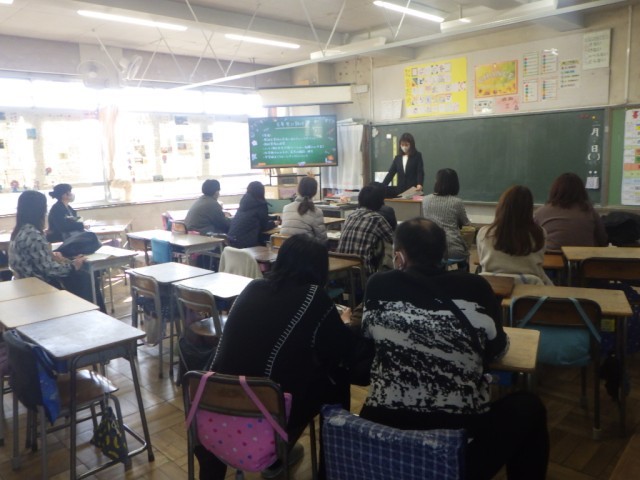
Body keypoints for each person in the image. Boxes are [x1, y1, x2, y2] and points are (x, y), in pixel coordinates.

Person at [360, 218, 549, 480]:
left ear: (399, 257)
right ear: (444, 255)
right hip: (455, 450)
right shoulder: (476, 287)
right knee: (529, 407)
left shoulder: (377, 285)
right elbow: (497, 351)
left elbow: (369, 341)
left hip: (384, 440)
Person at [199, 234, 362, 480]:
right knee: (336, 378)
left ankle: (279, 456)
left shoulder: (253, 287)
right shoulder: (313, 297)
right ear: (319, 269)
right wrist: (346, 323)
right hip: (264, 416)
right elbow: (343, 349)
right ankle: (328, 470)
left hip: (212, 410)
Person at [9, 190, 103, 307]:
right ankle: (93, 312)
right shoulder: (32, 234)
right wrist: (73, 265)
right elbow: (49, 270)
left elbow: (38, 261)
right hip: (38, 286)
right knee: (85, 277)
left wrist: (55, 258)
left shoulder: (20, 230)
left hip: (25, 283)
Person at [476, 185, 553, 285]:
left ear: (502, 206)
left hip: (493, 289)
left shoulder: (484, 233)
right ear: (529, 209)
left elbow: (481, 261)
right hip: (531, 289)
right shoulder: (540, 233)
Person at [534, 172, 607, 251]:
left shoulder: (540, 212)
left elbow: (534, 241)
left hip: (552, 257)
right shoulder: (590, 212)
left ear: (555, 190)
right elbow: (603, 241)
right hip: (583, 257)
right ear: (581, 191)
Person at [337, 185, 394, 277]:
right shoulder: (377, 219)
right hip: (363, 274)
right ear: (379, 201)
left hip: (342, 272)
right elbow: (393, 240)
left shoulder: (351, 216)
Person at [422, 168, 471, 268]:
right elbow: (466, 223)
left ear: (437, 182)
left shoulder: (425, 200)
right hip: (454, 249)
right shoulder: (457, 202)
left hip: (430, 248)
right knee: (465, 255)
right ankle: (463, 276)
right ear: (455, 184)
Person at [228, 181, 277, 248]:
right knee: (265, 240)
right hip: (246, 244)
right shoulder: (261, 204)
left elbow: (254, 217)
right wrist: (274, 223)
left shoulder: (244, 203)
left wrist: (273, 218)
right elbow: (264, 226)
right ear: (261, 192)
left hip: (232, 243)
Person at [280, 176, 327, 243]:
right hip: (305, 248)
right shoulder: (316, 211)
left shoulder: (286, 208)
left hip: (285, 247)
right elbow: (322, 238)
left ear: (299, 189)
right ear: (315, 192)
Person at [381, 132, 424, 197]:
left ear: (411, 145)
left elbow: (420, 171)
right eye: (402, 145)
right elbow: (391, 173)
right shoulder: (397, 158)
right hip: (400, 190)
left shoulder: (417, 156)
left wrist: (419, 183)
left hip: (414, 190)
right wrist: (382, 186)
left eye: (406, 145)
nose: (404, 147)